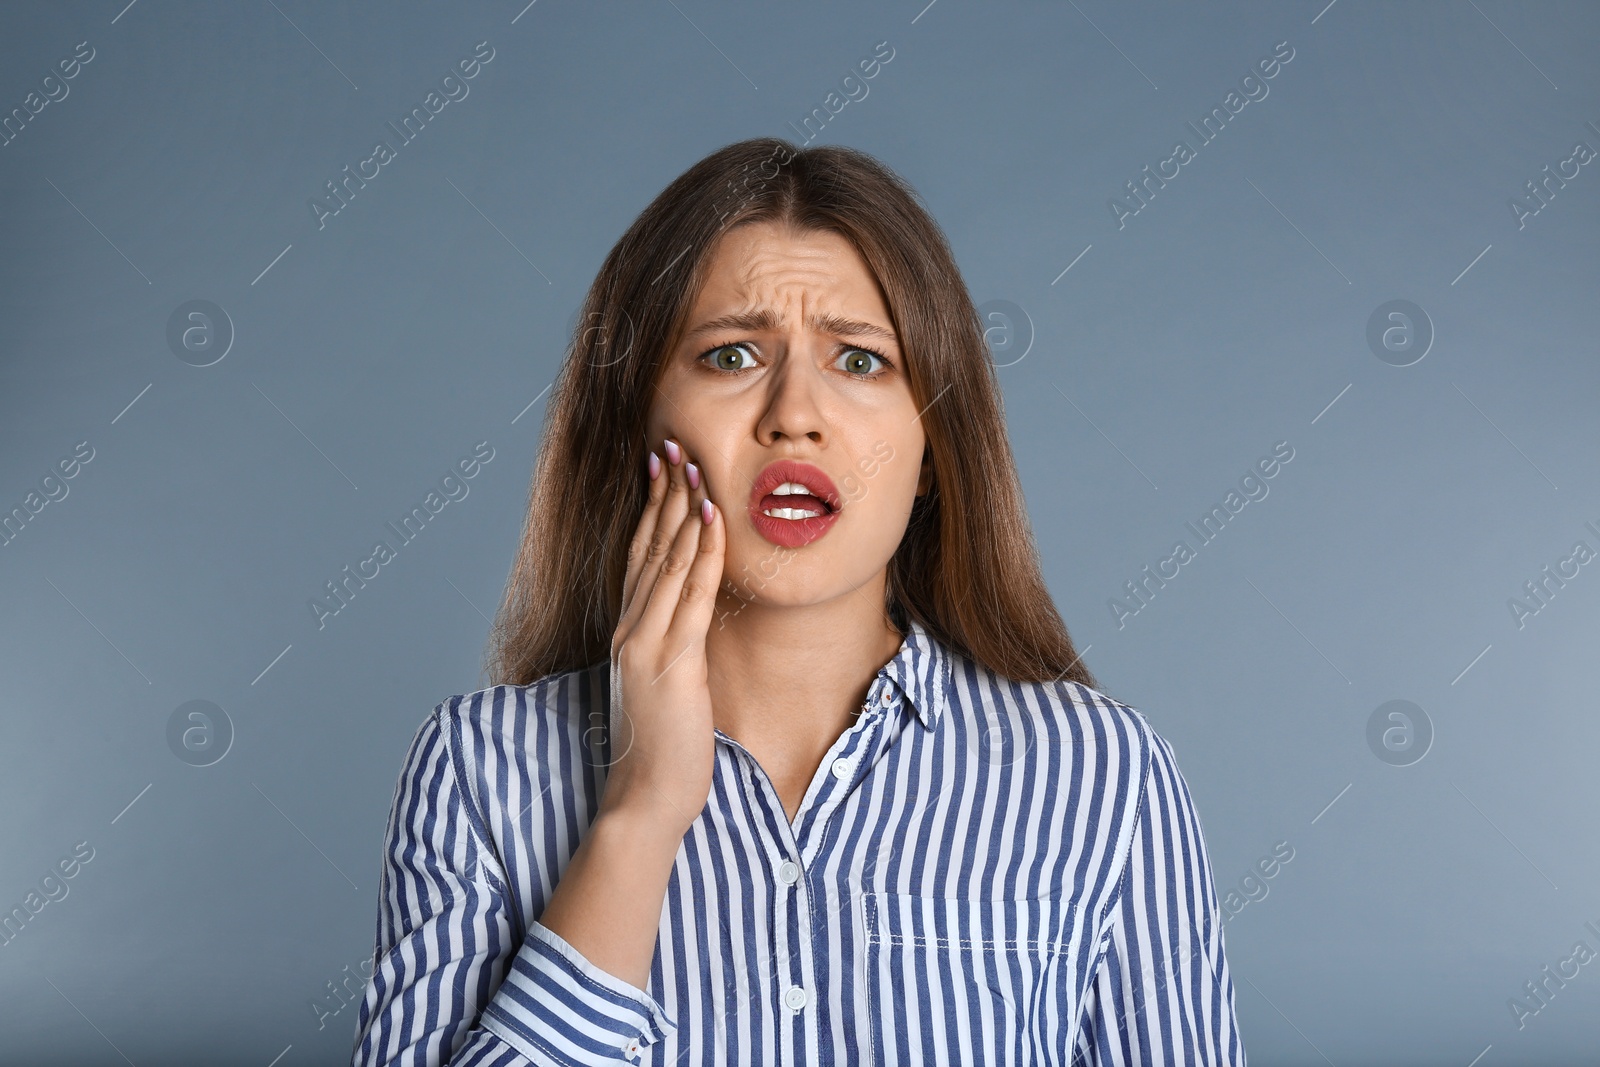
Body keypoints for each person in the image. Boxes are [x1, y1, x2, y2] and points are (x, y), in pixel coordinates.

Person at [351, 137, 1245, 1065]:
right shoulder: (477, 772)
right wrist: (641, 811)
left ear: (934, 442)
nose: (794, 411)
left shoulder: (1105, 775)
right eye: (732, 353)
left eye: (859, 362)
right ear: (634, 427)